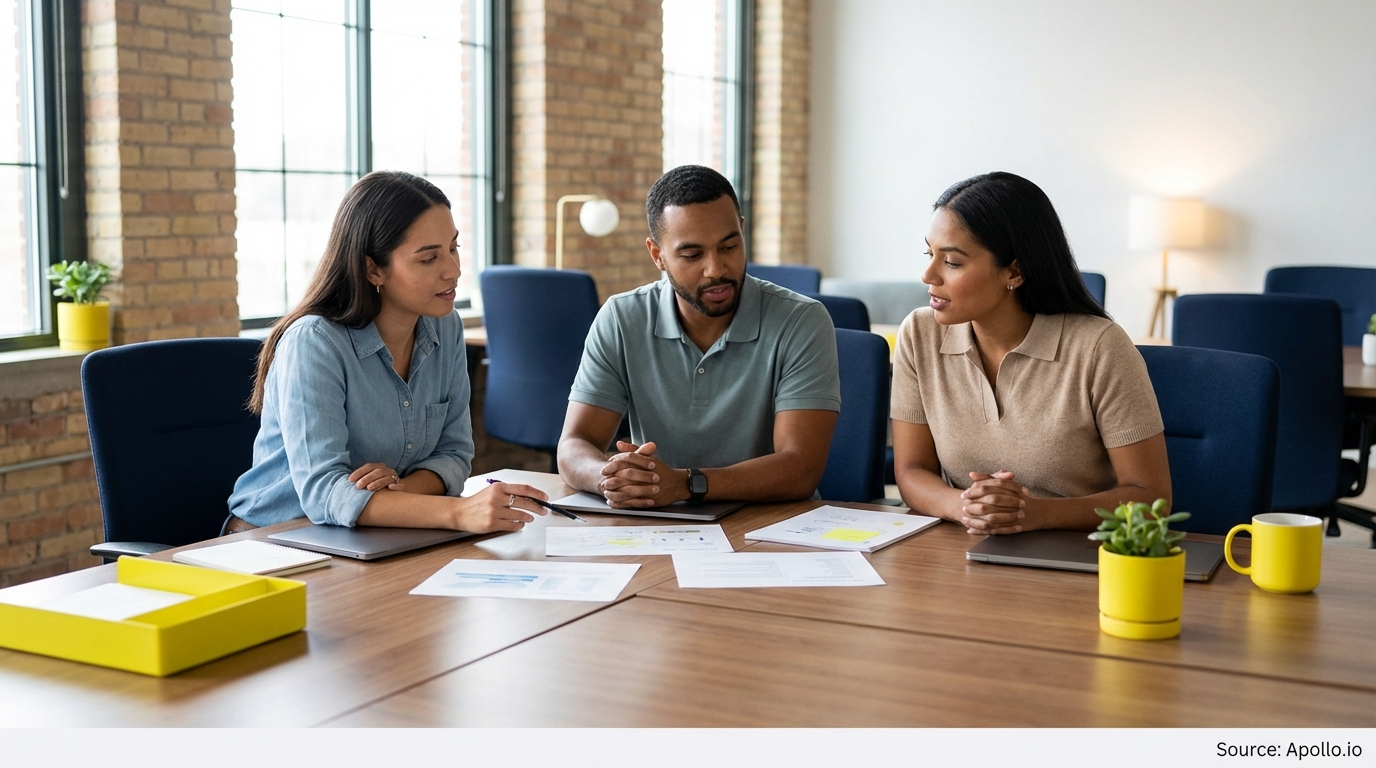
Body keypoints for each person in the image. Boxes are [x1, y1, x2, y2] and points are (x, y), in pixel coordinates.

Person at [227, 171, 548, 533]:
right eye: (428, 259)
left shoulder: (446, 326)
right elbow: (323, 493)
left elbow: (455, 455)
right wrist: (458, 514)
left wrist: (398, 492)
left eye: (454, 248)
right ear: (373, 269)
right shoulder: (314, 342)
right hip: (277, 539)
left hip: (375, 532)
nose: (454, 271)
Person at [891, 171, 1171, 535]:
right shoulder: (919, 333)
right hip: (966, 547)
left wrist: (1035, 513)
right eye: (930, 253)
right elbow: (912, 471)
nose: (928, 275)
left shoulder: (1100, 346)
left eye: (952, 262)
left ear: (1015, 271)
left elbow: (1151, 499)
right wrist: (964, 507)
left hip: (1080, 554)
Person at [557, 165, 840, 508]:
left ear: (743, 232)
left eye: (729, 246)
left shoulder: (801, 321)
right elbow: (575, 444)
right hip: (658, 523)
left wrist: (686, 484)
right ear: (657, 255)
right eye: (692, 255)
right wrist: (613, 479)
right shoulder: (621, 318)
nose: (716, 269)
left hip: (773, 526)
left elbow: (800, 468)